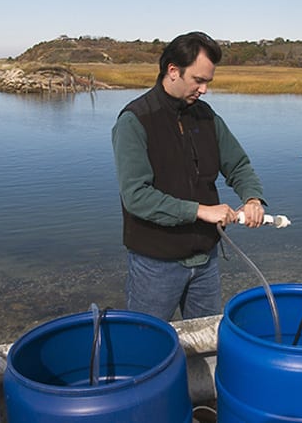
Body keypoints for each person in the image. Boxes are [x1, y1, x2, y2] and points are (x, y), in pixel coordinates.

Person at [111, 31, 266, 321]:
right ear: (173, 71)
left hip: (206, 261)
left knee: (207, 339)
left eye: (208, 81)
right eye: (198, 80)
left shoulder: (206, 116)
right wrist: (201, 211)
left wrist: (253, 198)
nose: (204, 89)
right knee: (146, 345)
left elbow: (238, 165)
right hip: (154, 262)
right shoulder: (135, 121)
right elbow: (137, 197)